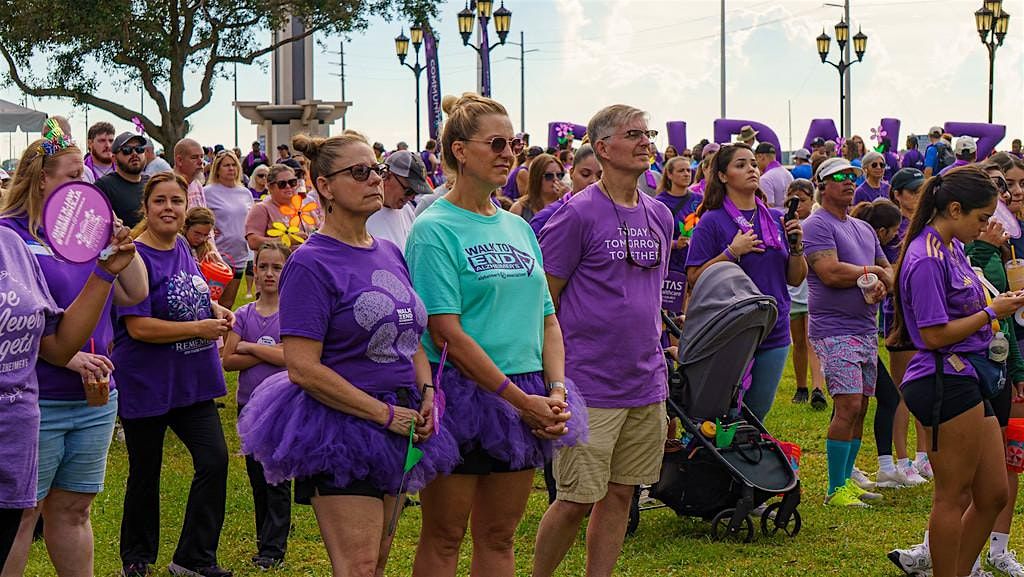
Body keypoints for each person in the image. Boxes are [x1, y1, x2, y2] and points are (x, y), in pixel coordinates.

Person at [238, 132, 458, 577]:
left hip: (403, 420)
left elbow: (410, 336)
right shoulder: (310, 263)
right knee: (356, 566)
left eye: (375, 170)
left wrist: (427, 390)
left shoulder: (391, 252)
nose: (375, 180)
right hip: (340, 425)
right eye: (359, 172)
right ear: (324, 185)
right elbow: (302, 368)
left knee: (377, 559)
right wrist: (383, 414)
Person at [406, 93, 579, 577]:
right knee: (444, 537)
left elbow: (547, 317)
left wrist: (555, 390)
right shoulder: (433, 229)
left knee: (500, 537)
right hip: (461, 392)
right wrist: (524, 404)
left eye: (516, 143)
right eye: (497, 143)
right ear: (460, 151)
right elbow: (445, 333)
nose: (510, 153)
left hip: (528, 389)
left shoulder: (518, 226)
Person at [533, 104, 671, 577]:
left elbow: (651, 298)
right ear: (603, 147)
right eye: (633, 134)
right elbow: (545, 299)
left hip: (645, 381)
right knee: (574, 499)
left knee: (621, 493)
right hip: (588, 383)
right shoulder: (575, 215)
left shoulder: (661, 216)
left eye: (647, 132)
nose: (645, 141)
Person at [0, 137, 145, 576]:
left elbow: (134, 291)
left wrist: (116, 236)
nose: (85, 183)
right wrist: (67, 359)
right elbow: (19, 319)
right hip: (37, 398)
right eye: (73, 174)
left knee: (75, 509)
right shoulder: (12, 238)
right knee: (23, 513)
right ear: (42, 180)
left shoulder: (85, 232)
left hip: (95, 397)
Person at [886, 166, 1024, 577]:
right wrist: (990, 312)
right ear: (955, 208)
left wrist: (998, 302)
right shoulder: (926, 257)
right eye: (981, 218)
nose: (985, 226)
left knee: (994, 493)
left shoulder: (951, 247)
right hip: (943, 377)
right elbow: (931, 335)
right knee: (952, 494)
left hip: (968, 375)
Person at [115, 172, 236, 577]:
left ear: (186, 208)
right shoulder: (134, 256)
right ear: (146, 209)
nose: (169, 208)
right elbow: (138, 328)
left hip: (193, 382)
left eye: (176, 201)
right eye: (160, 201)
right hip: (148, 381)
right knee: (145, 473)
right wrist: (199, 329)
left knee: (215, 460)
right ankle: (137, 557)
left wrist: (215, 312)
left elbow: (195, 293)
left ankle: (194, 558)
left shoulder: (184, 246)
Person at [686, 143, 806, 422]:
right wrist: (731, 253)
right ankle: (713, 465)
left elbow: (795, 278)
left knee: (756, 415)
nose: (751, 169)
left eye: (753, 163)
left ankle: (745, 464)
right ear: (723, 176)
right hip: (730, 330)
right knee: (721, 414)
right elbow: (694, 278)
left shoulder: (777, 217)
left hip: (774, 329)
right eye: (740, 165)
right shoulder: (712, 222)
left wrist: (798, 246)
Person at [803, 158, 891, 507]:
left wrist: (884, 280)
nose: (848, 181)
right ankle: (835, 488)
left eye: (852, 176)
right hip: (834, 328)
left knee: (862, 406)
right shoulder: (817, 225)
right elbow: (829, 271)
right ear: (822, 185)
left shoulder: (863, 228)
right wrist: (873, 273)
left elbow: (888, 267)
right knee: (848, 403)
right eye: (838, 177)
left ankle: (848, 480)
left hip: (866, 327)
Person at [221, 243, 291, 571]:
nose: (269, 274)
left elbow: (291, 356)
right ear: (254, 271)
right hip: (248, 407)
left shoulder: (291, 313)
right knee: (256, 476)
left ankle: (274, 548)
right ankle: (265, 537)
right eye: (263, 267)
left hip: (281, 407)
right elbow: (228, 360)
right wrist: (266, 349)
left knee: (276, 477)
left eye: (277, 268)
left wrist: (249, 346)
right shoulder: (244, 315)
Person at [848, 199, 914, 491]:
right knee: (870, 402)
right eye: (894, 232)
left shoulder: (872, 248)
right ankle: (872, 468)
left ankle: (866, 468)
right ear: (882, 231)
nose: (897, 238)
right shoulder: (863, 249)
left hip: (863, 335)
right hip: (847, 335)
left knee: (866, 404)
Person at [879, 168, 933, 490]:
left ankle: (923, 453)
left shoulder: (925, 224)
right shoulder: (890, 228)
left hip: (923, 312)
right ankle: (901, 459)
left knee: (926, 386)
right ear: (897, 194)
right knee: (902, 391)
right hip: (899, 317)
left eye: (921, 189)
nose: (917, 195)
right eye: (911, 191)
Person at [785, 179, 828, 409]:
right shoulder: (784, 224)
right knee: (798, 342)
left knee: (813, 342)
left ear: (812, 200)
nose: (797, 205)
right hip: (792, 292)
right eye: (792, 200)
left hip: (812, 291)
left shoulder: (814, 225)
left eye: (802, 200)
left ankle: (818, 388)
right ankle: (801, 386)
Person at [204, 151, 253, 308]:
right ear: (217, 169)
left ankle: (223, 334)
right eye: (226, 165)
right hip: (216, 255)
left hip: (239, 255)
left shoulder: (245, 193)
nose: (231, 168)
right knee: (211, 304)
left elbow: (250, 219)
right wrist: (209, 229)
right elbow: (199, 216)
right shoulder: (208, 192)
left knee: (227, 305)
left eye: (233, 165)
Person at [366, 150, 432, 252]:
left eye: (416, 193)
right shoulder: (364, 214)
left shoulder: (407, 210)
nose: (412, 198)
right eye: (409, 191)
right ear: (386, 175)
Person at [529, 143, 601, 237]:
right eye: (585, 174)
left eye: (600, 176)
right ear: (571, 173)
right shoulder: (546, 217)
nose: (593, 181)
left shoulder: (611, 213)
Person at [244, 164, 314, 250]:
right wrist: (287, 240)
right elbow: (253, 242)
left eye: (292, 182)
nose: (288, 186)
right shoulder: (262, 209)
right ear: (270, 187)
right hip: (278, 262)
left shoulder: (302, 207)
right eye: (282, 184)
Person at [654, 156, 701, 274]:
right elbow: (652, 239)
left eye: (688, 170)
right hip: (670, 267)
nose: (686, 174)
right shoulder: (659, 203)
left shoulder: (699, 200)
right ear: (669, 175)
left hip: (695, 264)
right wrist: (675, 244)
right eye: (681, 171)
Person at [96, 132, 149, 228]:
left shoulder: (152, 183)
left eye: (139, 149)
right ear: (114, 159)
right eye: (127, 150)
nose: (134, 154)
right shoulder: (103, 187)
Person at [511, 154, 567, 222]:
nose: (555, 179)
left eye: (559, 175)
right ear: (537, 178)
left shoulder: (565, 204)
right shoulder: (519, 208)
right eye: (549, 176)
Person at [755, 142, 793, 208]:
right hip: (790, 215)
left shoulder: (765, 179)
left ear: (761, 157)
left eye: (756, 159)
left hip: (776, 217)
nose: (756, 162)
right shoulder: (788, 174)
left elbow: (769, 208)